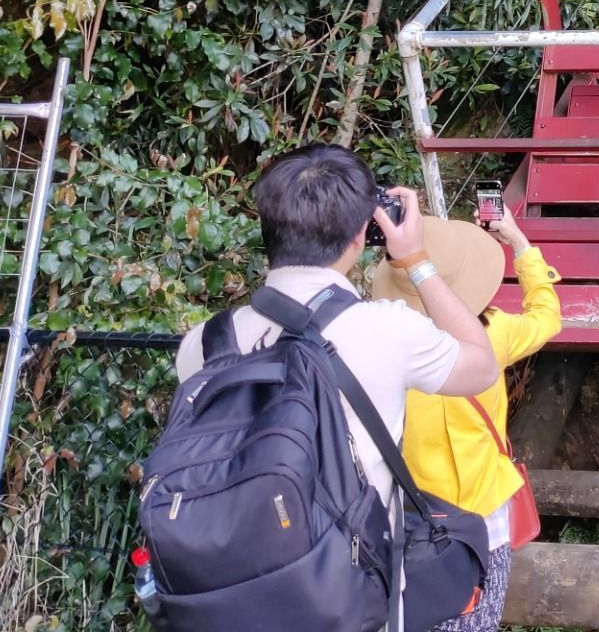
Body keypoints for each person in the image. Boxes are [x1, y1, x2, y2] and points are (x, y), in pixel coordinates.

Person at [174, 144, 502, 518]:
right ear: (361, 234)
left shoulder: (202, 342)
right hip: (343, 569)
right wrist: (416, 260)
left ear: (268, 227)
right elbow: (483, 366)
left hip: (223, 558)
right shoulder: (389, 331)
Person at [370, 202, 561, 632]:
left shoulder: (383, 351)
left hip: (413, 517)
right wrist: (520, 243)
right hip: (484, 509)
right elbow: (547, 316)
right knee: (480, 616)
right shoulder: (495, 335)